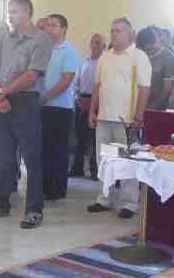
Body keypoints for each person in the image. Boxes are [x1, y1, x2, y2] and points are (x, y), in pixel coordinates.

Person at [0, 0, 52, 229]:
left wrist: (3, 92)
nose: (10, 15)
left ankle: (34, 209)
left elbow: (31, 75)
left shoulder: (40, 39)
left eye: (14, 11)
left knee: (31, 157)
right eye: (9, 11)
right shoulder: (5, 38)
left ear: (27, 13)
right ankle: (0, 203)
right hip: (4, 101)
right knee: (3, 155)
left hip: (26, 101)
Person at [87, 18, 151, 219]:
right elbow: (97, 86)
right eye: (112, 30)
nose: (114, 34)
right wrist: (92, 111)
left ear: (130, 34)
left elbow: (144, 88)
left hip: (127, 120)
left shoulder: (139, 56)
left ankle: (129, 203)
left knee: (127, 161)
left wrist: (139, 114)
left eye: (119, 31)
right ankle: (105, 198)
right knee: (105, 160)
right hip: (104, 117)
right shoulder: (104, 57)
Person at [40, 14, 80, 201]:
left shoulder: (69, 51)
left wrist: (45, 97)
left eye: (54, 25)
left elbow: (66, 80)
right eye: (48, 25)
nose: (49, 28)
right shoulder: (44, 49)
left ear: (64, 29)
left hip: (60, 108)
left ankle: (57, 190)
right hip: (42, 106)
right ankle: (44, 186)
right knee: (44, 148)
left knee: (59, 150)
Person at [70, 33, 104, 179]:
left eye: (97, 42)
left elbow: (105, 86)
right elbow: (75, 84)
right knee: (80, 137)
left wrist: (94, 102)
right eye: (92, 42)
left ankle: (95, 170)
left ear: (103, 46)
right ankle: (77, 168)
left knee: (96, 139)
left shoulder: (105, 63)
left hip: (98, 104)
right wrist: (77, 97)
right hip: (81, 102)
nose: (94, 45)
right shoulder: (84, 62)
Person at [138, 26, 174, 111]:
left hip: (158, 107)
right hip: (139, 103)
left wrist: (153, 107)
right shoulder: (141, 54)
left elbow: (167, 89)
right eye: (146, 50)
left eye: (151, 48)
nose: (148, 52)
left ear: (157, 39)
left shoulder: (168, 57)